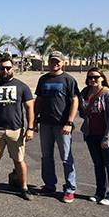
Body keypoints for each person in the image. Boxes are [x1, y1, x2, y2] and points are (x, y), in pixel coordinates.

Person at [0, 57, 35, 201]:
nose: (5, 70)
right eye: (2, 68)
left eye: (8, 68)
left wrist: (30, 128)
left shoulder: (22, 87)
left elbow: (29, 108)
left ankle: (24, 187)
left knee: (19, 160)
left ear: (13, 69)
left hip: (15, 130)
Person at [34, 51, 79, 203]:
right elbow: (38, 100)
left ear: (63, 63)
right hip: (46, 124)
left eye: (58, 61)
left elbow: (74, 101)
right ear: (48, 63)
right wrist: (33, 120)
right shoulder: (43, 79)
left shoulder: (68, 79)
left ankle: (69, 188)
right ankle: (49, 184)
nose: (55, 64)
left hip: (62, 125)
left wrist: (69, 122)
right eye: (53, 61)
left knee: (66, 157)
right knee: (46, 156)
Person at [79, 67, 109, 205]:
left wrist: (107, 139)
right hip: (91, 134)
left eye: (96, 77)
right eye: (90, 77)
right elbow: (81, 111)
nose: (93, 80)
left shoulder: (108, 95)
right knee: (98, 164)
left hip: (107, 135)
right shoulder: (85, 92)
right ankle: (99, 193)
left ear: (102, 78)